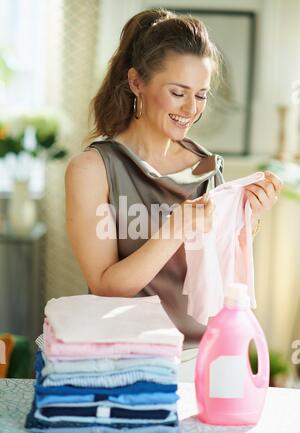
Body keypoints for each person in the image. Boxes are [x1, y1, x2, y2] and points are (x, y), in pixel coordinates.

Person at [65, 8, 282, 368]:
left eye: (200, 95)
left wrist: (247, 220)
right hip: (125, 358)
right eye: (178, 92)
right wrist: (175, 228)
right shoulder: (93, 169)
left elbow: (213, 277)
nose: (190, 109)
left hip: (202, 356)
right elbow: (106, 285)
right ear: (137, 82)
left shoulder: (206, 166)